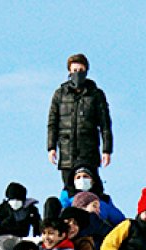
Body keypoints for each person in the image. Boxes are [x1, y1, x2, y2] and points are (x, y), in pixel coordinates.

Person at [47, 53, 113, 195]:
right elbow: (52, 122)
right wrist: (51, 147)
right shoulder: (60, 94)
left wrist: (107, 150)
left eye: (81, 70)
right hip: (66, 151)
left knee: (92, 189)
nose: (78, 74)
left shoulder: (96, 94)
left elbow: (105, 125)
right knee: (69, 189)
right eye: (74, 70)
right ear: (69, 72)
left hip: (88, 150)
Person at [0, 182, 40, 250]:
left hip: (20, 234)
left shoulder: (30, 209)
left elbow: (37, 224)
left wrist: (37, 237)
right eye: (12, 199)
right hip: (3, 234)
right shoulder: (4, 207)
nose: (15, 202)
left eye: (18, 199)